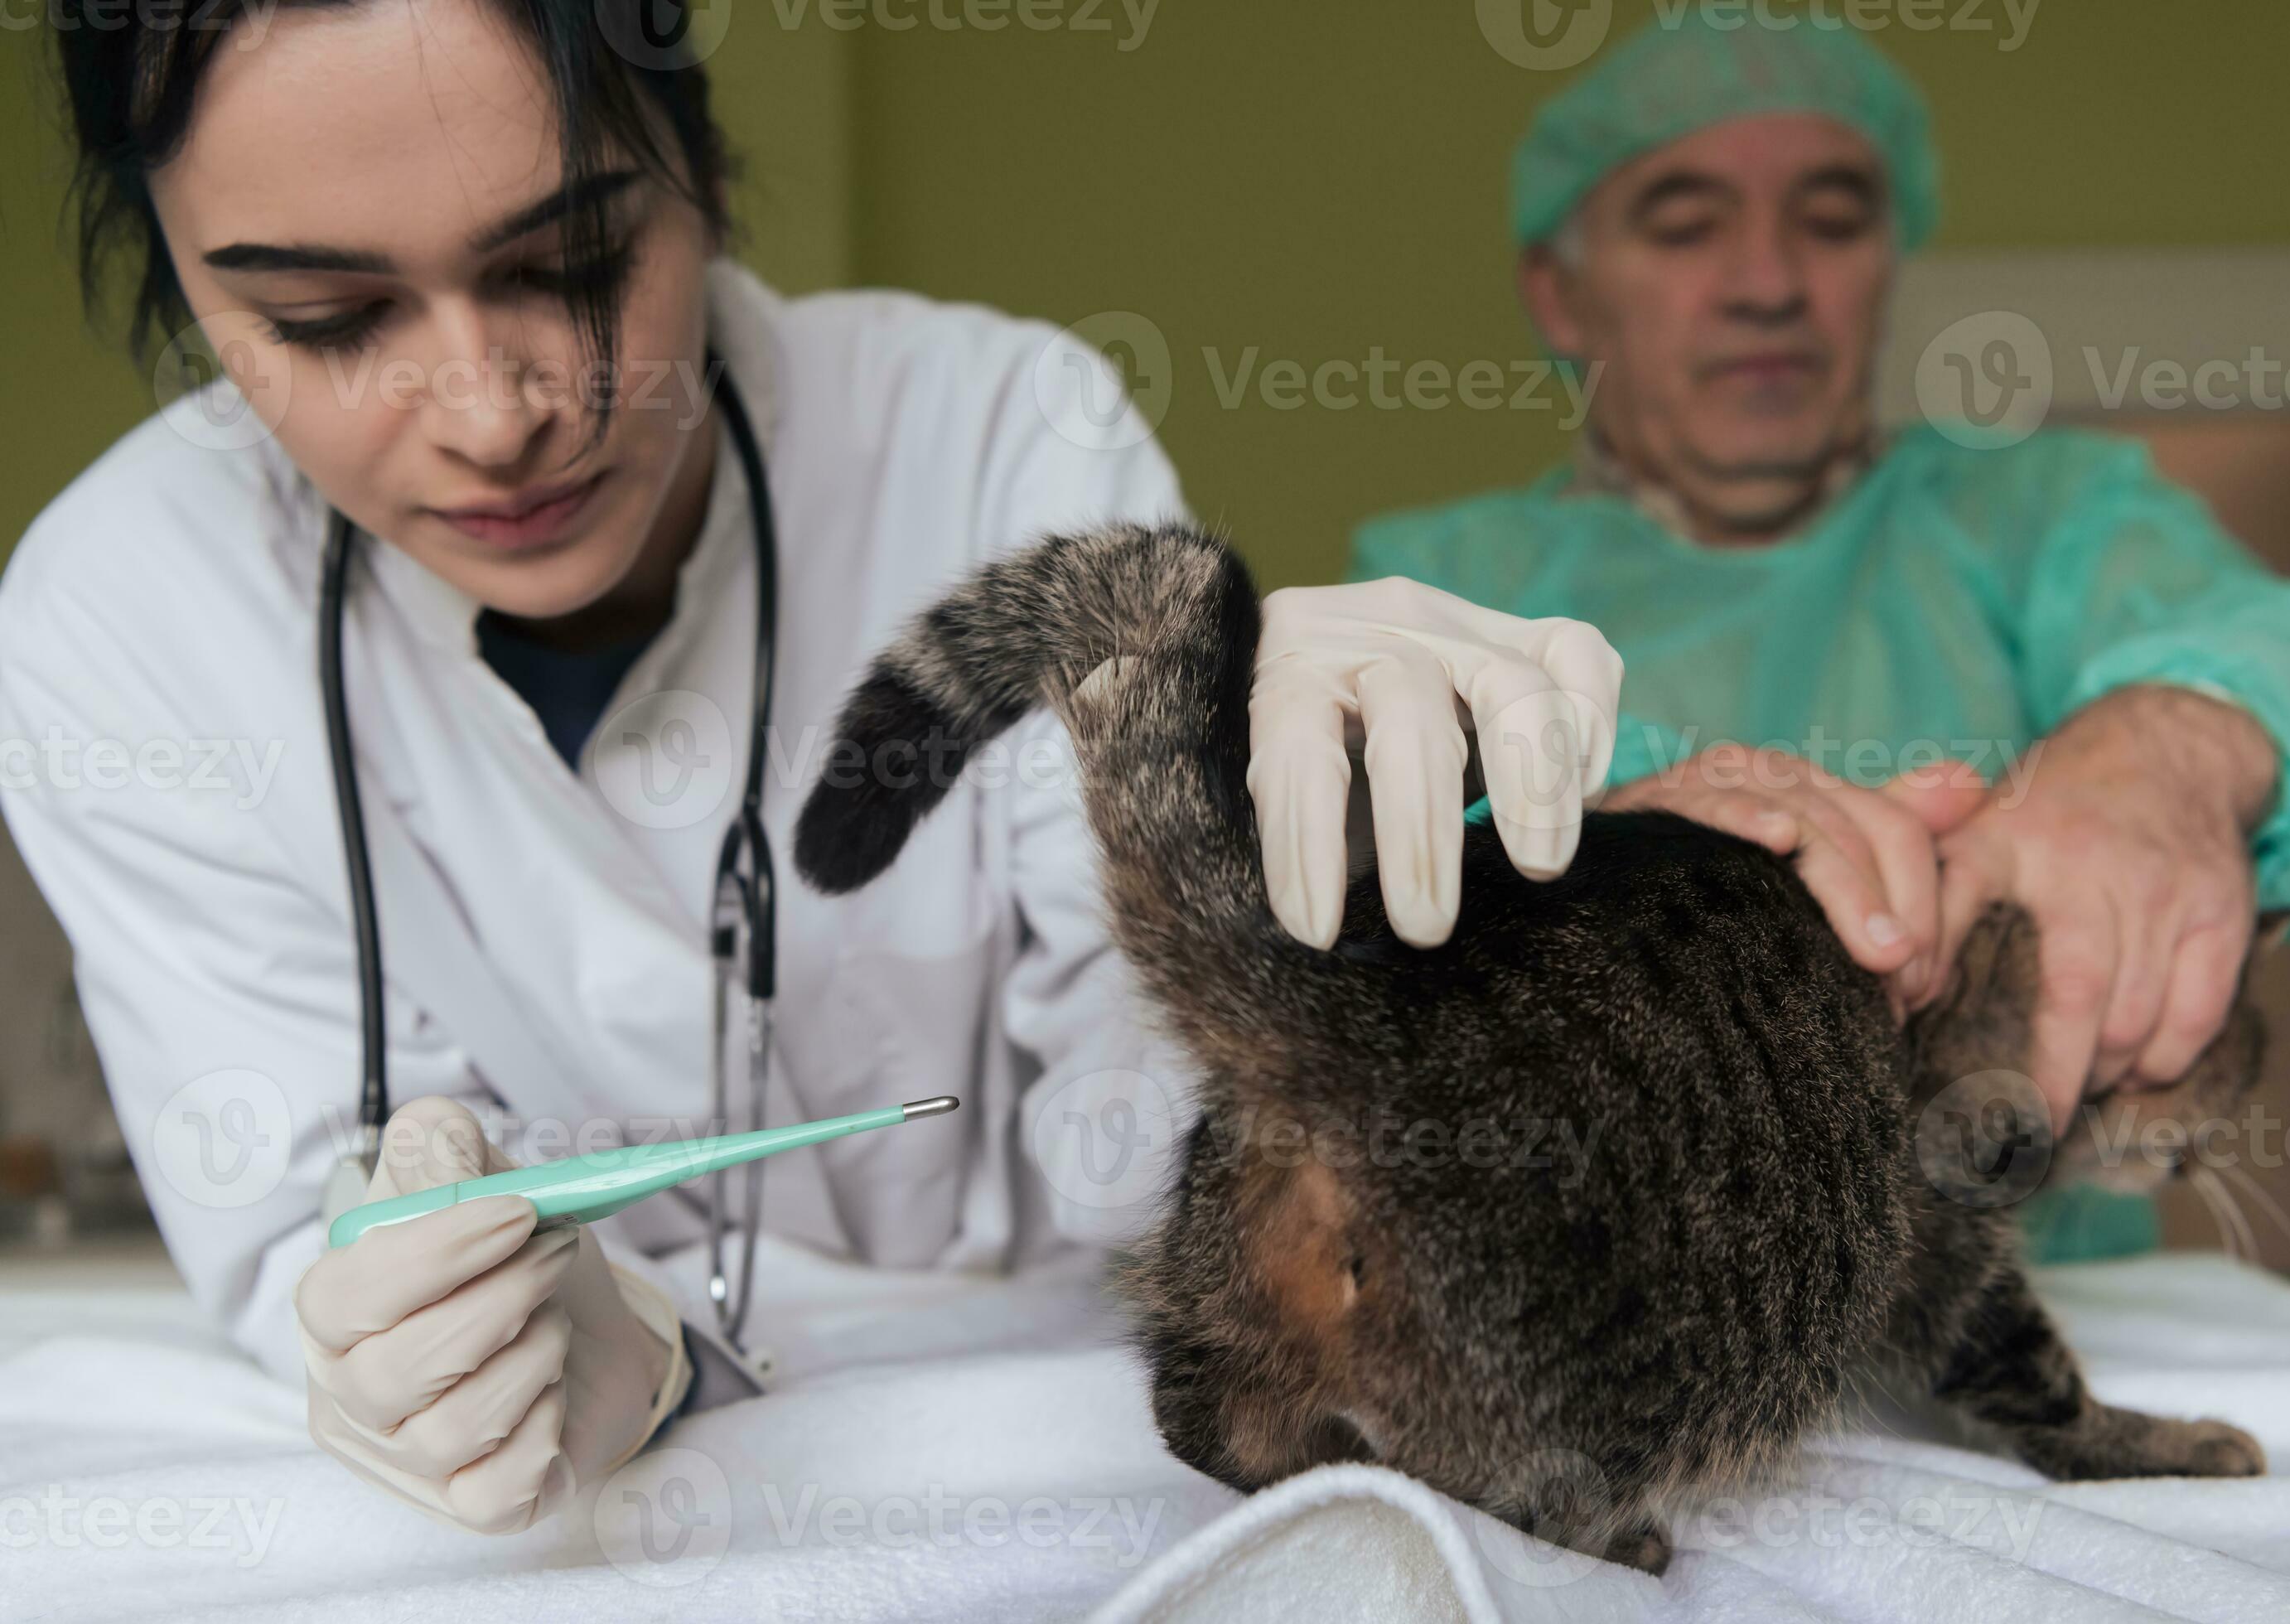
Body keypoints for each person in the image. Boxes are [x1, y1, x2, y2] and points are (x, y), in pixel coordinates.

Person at [1, 0, 1619, 1535]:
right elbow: (307, 1238)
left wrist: (1302, 898)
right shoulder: (128, 615)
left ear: (701, 173)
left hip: (1076, 1439)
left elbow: (1169, 1143)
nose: (495, 416)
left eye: (568, 261)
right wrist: (528, 1352)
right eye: (326, 319)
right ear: (185, 290)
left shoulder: (994, 438)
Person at [1348, 15, 2290, 1259]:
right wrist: (1628, 847)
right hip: (1613, 1311)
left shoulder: (2034, 516)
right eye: (1685, 224)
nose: (1768, 282)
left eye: (1833, 217)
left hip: (2023, 1326)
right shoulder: (1443, 579)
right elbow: (1368, 913)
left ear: (1887, 263)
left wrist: (2180, 746)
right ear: (1565, 294)